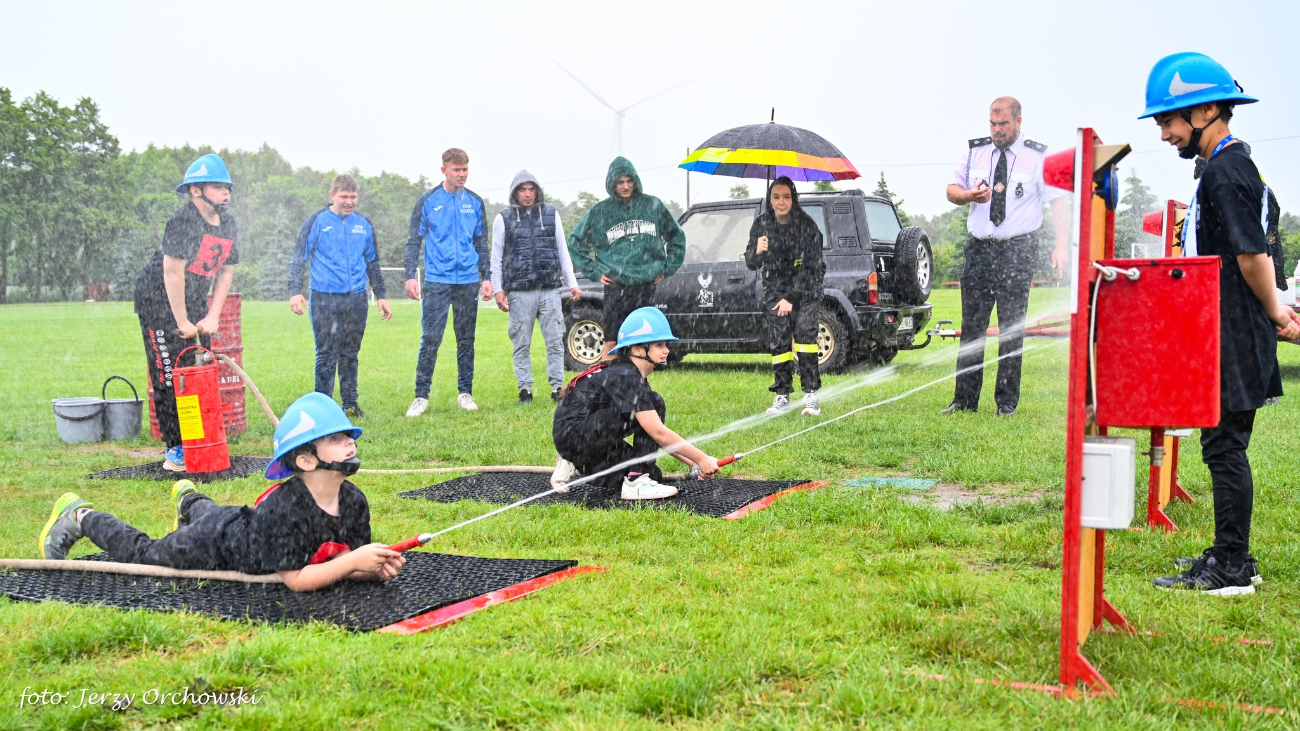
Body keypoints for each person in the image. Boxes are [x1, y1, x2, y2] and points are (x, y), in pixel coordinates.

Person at [1139, 53, 1300, 596]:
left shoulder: (1227, 171)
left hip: (1234, 332)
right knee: (1223, 442)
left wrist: (1277, 312)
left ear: (1207, 110)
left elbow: (1253, 256)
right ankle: (1234, 554)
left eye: (1169, 120)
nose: (1164, 133)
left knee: (1224, 447)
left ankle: (1231, 570)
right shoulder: (1226, 168)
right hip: (1227, 330)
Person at [37, 393, 405, 592]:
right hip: (216, 545)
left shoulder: (354, 501)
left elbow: (345, 563)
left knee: (213, 514)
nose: (349, 445)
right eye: (336, 439)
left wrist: (372, 568)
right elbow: (298, 580)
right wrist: (354, 563)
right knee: (146, 555)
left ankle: (190, 499)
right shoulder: (286, 509)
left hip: (236, 523)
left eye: (348, 437)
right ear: (307, 461)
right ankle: (81, 516)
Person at [942, 97, 1069, 417]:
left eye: (1003, 124)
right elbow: (951, 190)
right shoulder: (975, 152)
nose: (997, 130)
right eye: (992, 124)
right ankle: (964, 401)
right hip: (979, 250)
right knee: (972, 327)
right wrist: (969, 195)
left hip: (1017, 250)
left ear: (1019, 121)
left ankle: (1006, 403)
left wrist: (1061, 246)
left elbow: (1058, 204)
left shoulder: (1038, 156)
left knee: (1011, 327)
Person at [132, 153, 240, 471]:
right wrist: (181, 321)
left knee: (199, 372)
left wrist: (212, 316)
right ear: (196, 190)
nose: (226, 193)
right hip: (158, 302)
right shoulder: (182, 221)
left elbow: (226, 272)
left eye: (228, 187)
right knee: (169, 376)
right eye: (219, 186)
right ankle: (175, 449)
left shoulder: (228, 223)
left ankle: (199, 440)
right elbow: (172, 273)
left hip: (193, 302)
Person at [551, 307, 720, 500]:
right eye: (659, 344)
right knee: (655, 402)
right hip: (576, 437)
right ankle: (637, 481)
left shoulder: (626, 374)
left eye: (665, 344)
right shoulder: (627, 377)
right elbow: (658, 432)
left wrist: (694, 464)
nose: (667, 350)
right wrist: (702, 458)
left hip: (579, 441)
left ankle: (577, 464)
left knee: (654, 474)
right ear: (637, 349)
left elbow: (654, 435)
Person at [288, 173, 393, 418]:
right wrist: (295, 291)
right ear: (332, 195)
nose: (348, 201)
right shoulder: (317, 221)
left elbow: (373, 263)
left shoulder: (363, 224)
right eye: (343, 196)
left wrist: (381, 295)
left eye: (353, 196)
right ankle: (323, 408)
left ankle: (350, 404)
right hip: (324, 298)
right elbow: (298, 257)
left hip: (356, 298)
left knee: (350, 354)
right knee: (326, 354)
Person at [566, 157, 686, 361]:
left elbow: (677, 236)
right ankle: (606, 382)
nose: (625, 186)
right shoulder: (600, 211)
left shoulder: (652, 205)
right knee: (612, 340)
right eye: (620, 182)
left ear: (635, 181)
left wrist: (667, 268)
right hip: (616, 285)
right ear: (612, 183)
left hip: (645, 285)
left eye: (629, 181)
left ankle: (639, 384)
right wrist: (594, 272)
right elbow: (575, 243)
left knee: (642, 340)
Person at [404, 148, 491, 416]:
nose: (462, 174)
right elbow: (413, 240)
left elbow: (481, 243)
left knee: (466, 339)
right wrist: (409, 274)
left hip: (467, 280)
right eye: (456, 170)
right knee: (431, 339)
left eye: (465, 169)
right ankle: (421, 396)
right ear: (444, 170)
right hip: (437, 281)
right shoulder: (428, 201)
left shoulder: (475, 202)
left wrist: (486, 277)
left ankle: (465, 393)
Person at [490, 171, 581, 404]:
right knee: (521, 343)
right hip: (518, 292)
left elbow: (562, 250)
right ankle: (525, 390)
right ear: (515, 192)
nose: (527, 194)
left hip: (549, 289)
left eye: (531, 189)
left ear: (537, 190)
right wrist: (498, 289)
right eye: (522, 189)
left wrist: (572, 283)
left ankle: (557, 388)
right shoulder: (503, 218)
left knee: (555, 340)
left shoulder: (551, 213)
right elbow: (496, 257)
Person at [745, 176, 826, 416]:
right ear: (769, 200)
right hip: (775, 290)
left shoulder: (807, 225)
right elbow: (751, 263)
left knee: (804, 335)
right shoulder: (761, 225)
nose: (781, 202)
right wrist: (757, 251)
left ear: (794, 199)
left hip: (807, 289)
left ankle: (811, 395)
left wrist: (791, 298)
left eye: (787, 197)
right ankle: (782, 395)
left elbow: (812, 268)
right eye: (776, 197)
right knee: (779, 341)